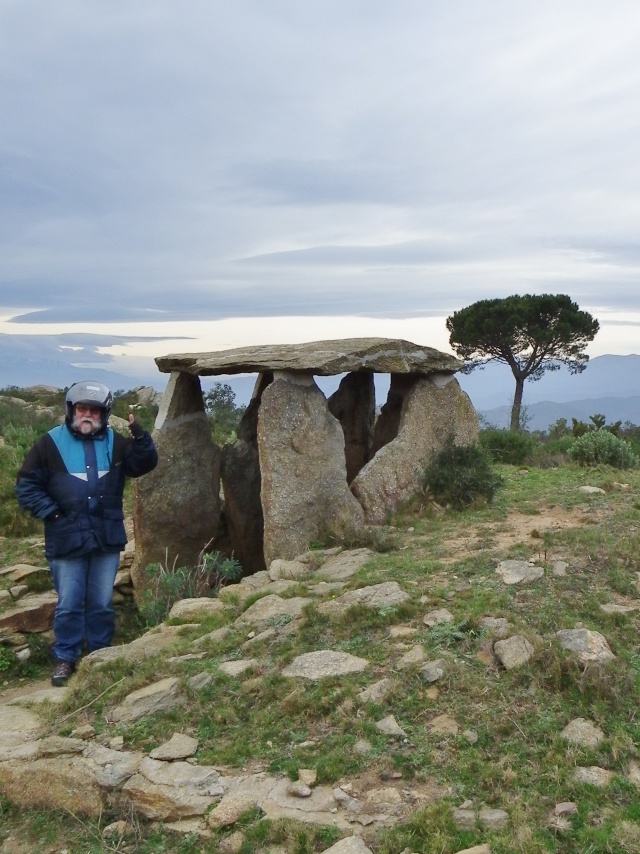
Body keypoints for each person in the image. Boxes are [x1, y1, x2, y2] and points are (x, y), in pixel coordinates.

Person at [15, 381, 158, 686]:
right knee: (68, 602)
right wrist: (51, 512)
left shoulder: (116, 443)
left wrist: (141, 437)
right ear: (71, 410)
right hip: (66, 538)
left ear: (104, 413)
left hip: (105, 537)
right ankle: (65, 657)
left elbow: (142, 464)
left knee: (100, 602)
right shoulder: (49, 443)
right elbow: (26, 486)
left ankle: (99, 654)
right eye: (82, 409)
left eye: (94, 410)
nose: (87, 415)